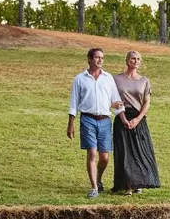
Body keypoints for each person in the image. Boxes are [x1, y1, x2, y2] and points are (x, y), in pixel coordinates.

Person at [68, 48, 123, 198]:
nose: (100, 60)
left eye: (102, 58)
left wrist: (123, 119)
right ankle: (94, 188)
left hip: (105, 120)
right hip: (88, 119)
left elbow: (116, 101)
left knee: (104, 157)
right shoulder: (80, 79)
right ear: (89, 59)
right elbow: (74, 103)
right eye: (97, 57)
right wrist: (71, 124)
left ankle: (98, 179)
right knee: (92, 153)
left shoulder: (108, 78)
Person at [112, 50, 161, 195]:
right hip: (122, 116)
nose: (136, 61)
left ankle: (138, 182)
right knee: (125, 152)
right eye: (133, 58)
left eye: (138, 59)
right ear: (127, 61)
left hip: (138, 118)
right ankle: (127, 185)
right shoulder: (116, 79)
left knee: (140, 151)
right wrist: (123, 119)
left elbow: (146, 102)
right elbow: (115, 99)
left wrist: (138, 119)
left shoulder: (144, 81)